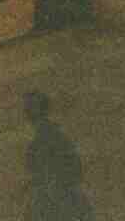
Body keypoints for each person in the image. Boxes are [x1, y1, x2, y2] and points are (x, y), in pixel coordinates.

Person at [22, 90, 94, 221]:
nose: (26, 111)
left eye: (30, 107)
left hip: (58, 198)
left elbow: (74, 167)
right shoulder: (48, 137)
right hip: (53, 197)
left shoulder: (50, 137)